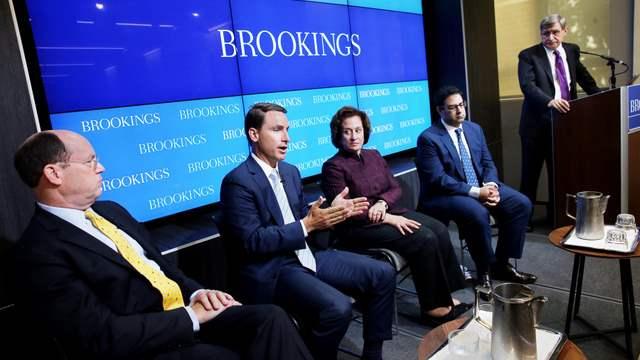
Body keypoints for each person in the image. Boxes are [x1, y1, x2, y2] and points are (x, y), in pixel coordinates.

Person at [12, 130, 312, 360]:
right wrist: (191, 316)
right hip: (148, 342)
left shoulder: (111, 211)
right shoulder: (39, 252)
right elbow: (100, 336)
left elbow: (163, 269)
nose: (101, 167)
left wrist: (199, 292)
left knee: (271, 318)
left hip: (185, 312)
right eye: (91, 161)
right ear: (54, 174)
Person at [219, 103, 395, 360]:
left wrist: (331, 212)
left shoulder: (290, 172)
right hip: (276, 268)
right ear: (254, 135)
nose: (287, 137)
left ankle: (372, 354)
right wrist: (307, 224)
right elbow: (252, 241)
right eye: (277, 130)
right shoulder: (238, 181)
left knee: (383, 273)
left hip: (307, 254)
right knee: (338, 308)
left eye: (287, 129)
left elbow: (304, 216)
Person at [321, 106, 469, 327]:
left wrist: (382, 203)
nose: (354, 136)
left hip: (387, 210)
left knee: (438, 228)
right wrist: (387, 218)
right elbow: (346, 209)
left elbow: (395, 187)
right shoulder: (333, 167)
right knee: (424, 238)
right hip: (358, 227)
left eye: (358, 130)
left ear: (365, 131)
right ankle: (433, 308)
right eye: (347, 131)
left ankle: (445, 295)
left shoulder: (374, 155)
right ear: (338, 134)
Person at [416, 86, 536, 288]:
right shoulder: (428, 138)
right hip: (445, 194)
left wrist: (491, 186)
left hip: (480, 186)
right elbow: (438, 179)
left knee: (521, 203)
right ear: (440, 110)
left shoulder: (474, 129)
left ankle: (502, 263)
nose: (460, 111)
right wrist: (476, 192)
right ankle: (484, 269)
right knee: (477, 212)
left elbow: (488, 162)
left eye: (461, 105)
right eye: (453, 107)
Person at [518, 14, 600, 225]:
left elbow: (584, 78)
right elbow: (528, 87)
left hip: (564, 126)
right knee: (530, 175)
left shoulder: (571, 50)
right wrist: (550, 101)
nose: (550, 37)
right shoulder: (528, 56)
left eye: (555, 32)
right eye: (546, 33)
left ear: (564, 31)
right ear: (541, 34)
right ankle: (524, 221)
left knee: (560, 173)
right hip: (535, 127)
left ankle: (557, 217)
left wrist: (601, 98)